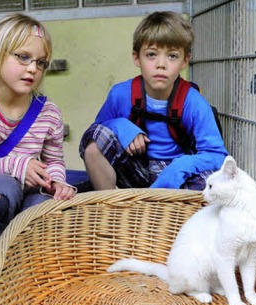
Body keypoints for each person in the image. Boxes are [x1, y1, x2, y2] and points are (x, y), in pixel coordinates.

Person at [0, 13, 76, 252]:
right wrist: (18, 166)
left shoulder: (49, 112)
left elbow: (53, 161)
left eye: (40, 62)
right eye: (23, 57)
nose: (33, 68)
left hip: (32, 190)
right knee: (4, 190)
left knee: (45, 209)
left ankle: (23, 264)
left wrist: (58, 182)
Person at [80, 11, 228, 191]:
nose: (161, 64)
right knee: (95, 145)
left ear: (185, 60)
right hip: (135, 170)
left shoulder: (194, 102)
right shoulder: (120, 94)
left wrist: (180, 167)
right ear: (137, 57)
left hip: (177, 176)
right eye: (151, 54)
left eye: (172, 56)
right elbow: (93, 133)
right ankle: (112, 210)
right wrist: (121, 125)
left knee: (210, 182)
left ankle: (174, 217)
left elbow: (217, 155)